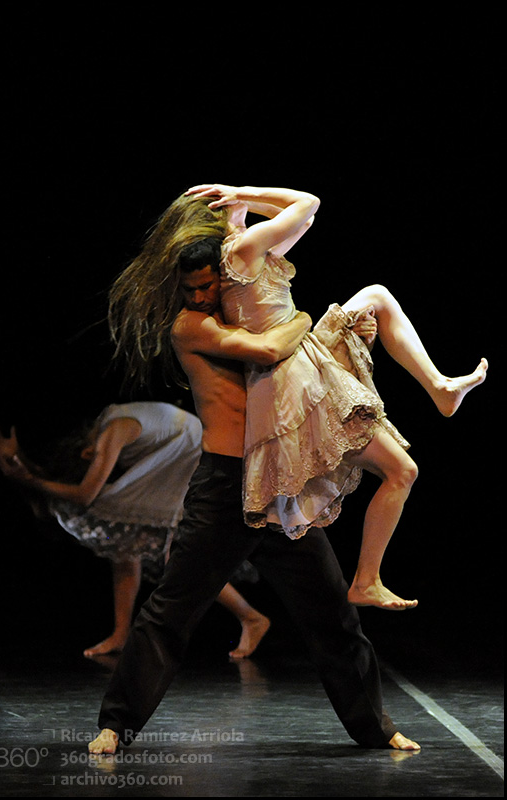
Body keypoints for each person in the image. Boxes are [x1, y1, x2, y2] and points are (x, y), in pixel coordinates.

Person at [89, 193, 420, 754]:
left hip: (280, 482)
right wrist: (304, 321)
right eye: (189, 289)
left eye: (206, 285)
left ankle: (376, 728)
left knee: (332, 614)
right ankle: (116, 725)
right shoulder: (191, 327)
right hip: (225, 486)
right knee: (172, 608)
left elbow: (305, 210)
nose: (199, 296)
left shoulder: (241, 301)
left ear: (224, 274)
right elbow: (268, 350)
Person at [180, 184, 487, 611]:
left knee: (377, 296)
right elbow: (308, 202)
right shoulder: (242, 249)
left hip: (301, 359)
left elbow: (305, 219)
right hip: (294, 376)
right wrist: (244, 192)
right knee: (402, 472)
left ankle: (440, 387)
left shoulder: (247, 253)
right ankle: (366, 581)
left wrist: (241, 202)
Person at [0, 402, 270, 659]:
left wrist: (29, 479)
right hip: (180, 450)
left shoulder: (112, 431)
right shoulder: (108, 423)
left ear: (87, 452)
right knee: (125, 542)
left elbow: (85, 494)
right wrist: (21, 463)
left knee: (175, 554)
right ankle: (121, 634)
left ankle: (250, 617)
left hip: (187, 452)